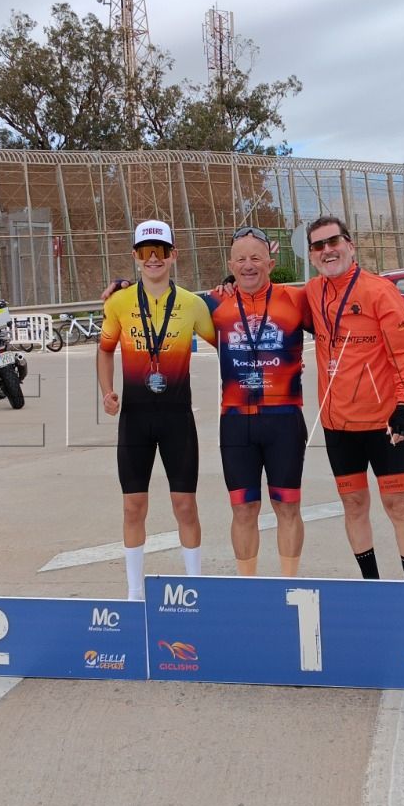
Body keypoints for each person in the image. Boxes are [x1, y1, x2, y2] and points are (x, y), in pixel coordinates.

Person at [98, 220, 217, 599]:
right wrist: (107, 391)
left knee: (185, 505)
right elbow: (105, 350)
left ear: (173, 255)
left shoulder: (193, 305)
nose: (153, 259)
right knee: (133, 506)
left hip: (177, 418)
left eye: (161, 251)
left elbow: (227, 344)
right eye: (145, 252)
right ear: (135, 256)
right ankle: (134, 592)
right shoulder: (118, 303)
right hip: (134, 419)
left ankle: (194, 588)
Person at [305, 214, 404, 581]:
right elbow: (269, 299)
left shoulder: (379, 291)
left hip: (383, 423)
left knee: (397, 504)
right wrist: (232, 286)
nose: (327, 250)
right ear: (311, 255)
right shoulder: (311, 292)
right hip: (338, 426)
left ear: (350, 245)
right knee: (354, 504)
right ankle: (371, 586)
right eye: (318, 245)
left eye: (333, 241)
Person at [207, 226, 313, 575]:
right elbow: (163, 302)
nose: (248, 265)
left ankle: (287, 584)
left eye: (256, 258)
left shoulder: (295, 299)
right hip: (236, 421)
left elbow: (337, 314)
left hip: (284, 418)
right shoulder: (214, 303)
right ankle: (246, 588)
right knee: (242, 509)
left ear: (271, 262)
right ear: (230, 266)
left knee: (287, 507)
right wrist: (122, 286)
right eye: (240, 259)